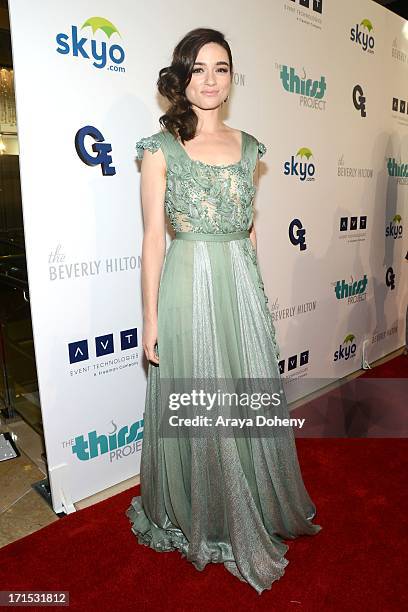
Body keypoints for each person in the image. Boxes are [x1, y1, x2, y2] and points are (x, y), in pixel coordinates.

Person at [126, 27, 322, 594]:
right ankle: (203, 518)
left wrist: (257, 297)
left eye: (222, 68)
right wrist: (152, 319)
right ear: (181, 77)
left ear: (232, 78)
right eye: (199, 68)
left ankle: (252, 503)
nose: (210, 80)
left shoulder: (250, 145)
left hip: (239, 285)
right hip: (188, 285)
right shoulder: (159, 149)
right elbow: (152, 241)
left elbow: (253, 231)